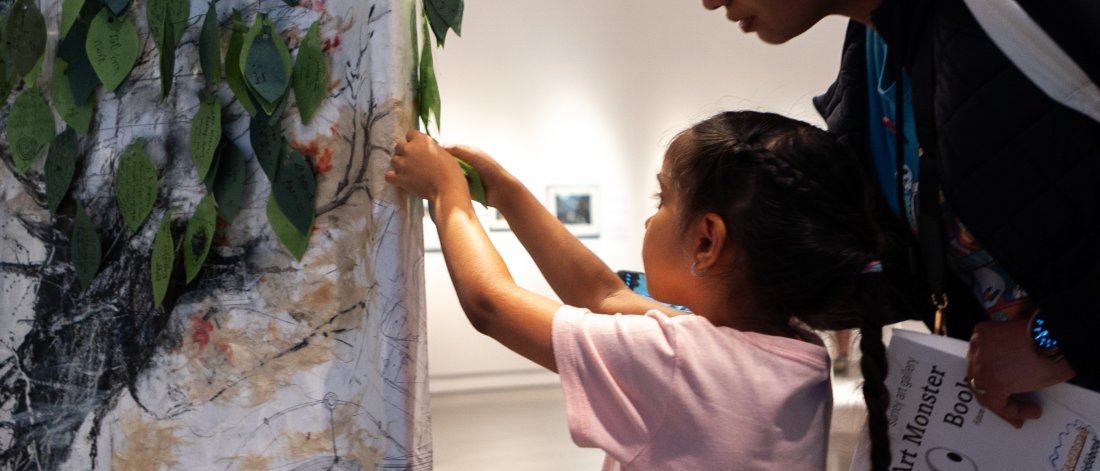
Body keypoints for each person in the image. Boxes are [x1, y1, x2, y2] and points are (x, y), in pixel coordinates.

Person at [387, 111, 899, 469]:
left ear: (706, 240)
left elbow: (490, 305)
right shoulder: (794, 348)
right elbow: (604, 295)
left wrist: (446, 197)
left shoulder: (680, 359)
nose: (651, 216)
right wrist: (505, 191)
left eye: (663, 199)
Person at [702, 0, 1100, 431]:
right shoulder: (873, 57)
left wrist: (1053, 339)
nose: (709, 1)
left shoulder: (1005, 13)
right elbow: (902, 276)